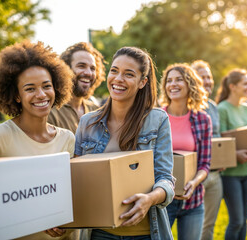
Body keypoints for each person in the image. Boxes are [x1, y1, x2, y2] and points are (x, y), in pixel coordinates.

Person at [0, 41, 76, 240]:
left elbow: (73, 193)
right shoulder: (1, 135)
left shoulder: (68, 138)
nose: (41, 95)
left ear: (56, 87)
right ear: (17, 95)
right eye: (30, 89)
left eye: (46, 86)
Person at [74, 46, 175, 240]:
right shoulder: (87, 122)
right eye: (114, 71)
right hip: (100, 233)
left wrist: (149, 199)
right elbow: (77, 181)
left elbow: (166, 180)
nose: (118, 79)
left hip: (145, 233)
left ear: (142, 82)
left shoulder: (157, 120)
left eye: (129, 74)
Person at [160, 63, 212, 240]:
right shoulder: (156, 117)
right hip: (161, 201)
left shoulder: (203, 120)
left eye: (179, 80)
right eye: (169, 80)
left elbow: (205, 164)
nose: (172, 84)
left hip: (193, 201)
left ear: (190, 84)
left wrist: (194, 183)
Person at [216, 68, 247, 240]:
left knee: (244, 220)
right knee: (237, 221)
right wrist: (237, 153)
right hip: (230, 174)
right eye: (245, 83)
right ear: (232, 86)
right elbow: (220, 142)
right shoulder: (222, 109)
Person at [191, 60, 222, 240]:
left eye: (209, 77)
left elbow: (218, 137)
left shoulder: (213, 106)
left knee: (209, 224)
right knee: (194, 224)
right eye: (202, 77)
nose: (207, 81)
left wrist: (224, 158)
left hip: (216, 175)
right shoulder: (187, 107)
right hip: (195, 175)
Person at [48, 42, 106, 133]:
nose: (88, 73)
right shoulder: (50, 113)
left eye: (92, 68)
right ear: (65, 69)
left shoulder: (97, 112)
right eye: (81, 66)